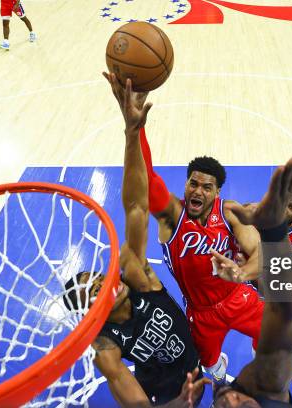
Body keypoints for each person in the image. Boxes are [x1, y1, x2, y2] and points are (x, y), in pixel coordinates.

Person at [104, 73, 292, 405]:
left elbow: (259, 251)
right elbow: (146, 180)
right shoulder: (172, 215)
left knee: (280, 342)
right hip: (199, 312)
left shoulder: (227, 212)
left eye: (207, 186)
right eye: (193, 184)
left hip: (236, 298)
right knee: (211, 366)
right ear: (186, 185)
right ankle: (220, 377)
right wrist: (135, 127)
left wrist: (242, 274)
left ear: (217, 191)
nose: (198, 190)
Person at [62, 77, 209, 406]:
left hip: (193, 356)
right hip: (169, 392)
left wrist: (132, 133)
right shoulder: (105, 347)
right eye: (95, 290)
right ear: (91, 313)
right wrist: (181, 401)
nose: (105, 282)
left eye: (99, 277)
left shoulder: (136, 275)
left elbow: (137, 207)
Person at [211, 155, 292, 407]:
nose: (283, 208)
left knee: (282, 359)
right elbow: (236, 225)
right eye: (282, 202)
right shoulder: (259, 214)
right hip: (244, 296)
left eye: (291, 206)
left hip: (272, 310)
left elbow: (288, 296)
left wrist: (248, 271)